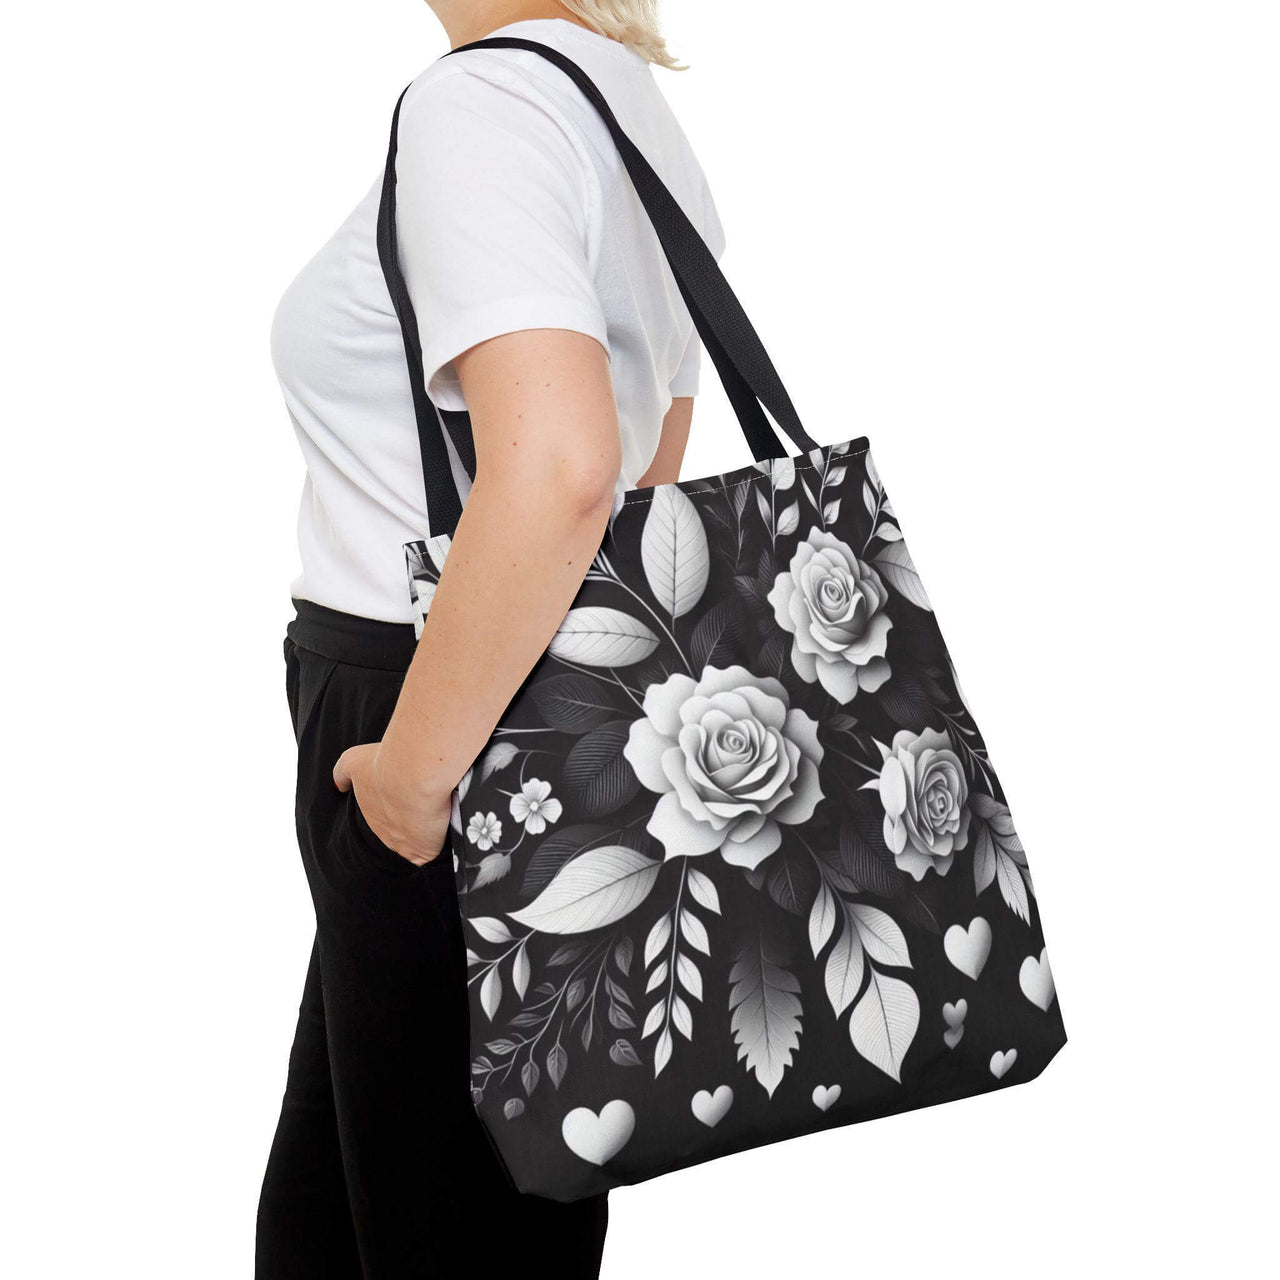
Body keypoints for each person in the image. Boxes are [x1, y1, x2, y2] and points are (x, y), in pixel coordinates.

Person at [256, 3, 722, 1275]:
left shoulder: (481, 109)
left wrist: (409, 786)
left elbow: (569, 469)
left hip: (432, 717)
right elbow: (643, 478)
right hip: (531, 694)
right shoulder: (620, 104)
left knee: (434, 1232)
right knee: (379, 1215)